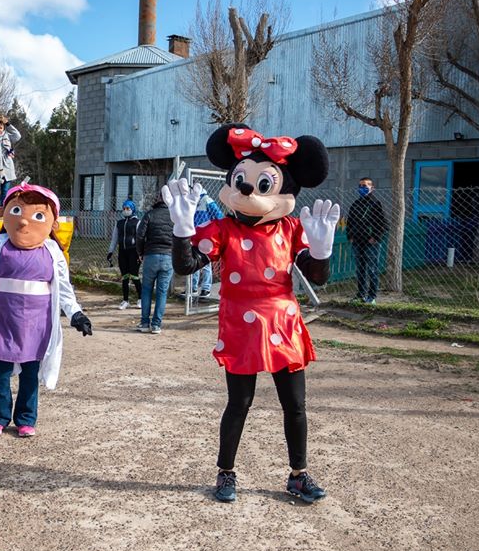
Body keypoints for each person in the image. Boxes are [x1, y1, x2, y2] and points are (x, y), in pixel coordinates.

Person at [167, 123, 339, 505]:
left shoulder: (292, 228)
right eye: (241, 180)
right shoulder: (224, 229)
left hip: (283, 324)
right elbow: (187, 266)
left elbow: (315, 275)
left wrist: (323, 253)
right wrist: (182, 230)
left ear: (285, 189)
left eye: (263, 184)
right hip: (241, 323)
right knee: (239, 403)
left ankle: (298, 474)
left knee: (295, 405)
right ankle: (225, 473)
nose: (246, 190)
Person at [0, 182, 93, 438]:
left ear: (51, 221)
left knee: (30, 373)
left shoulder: (52, 251)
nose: (25, 222)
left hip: (36, 323)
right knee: (0, 372)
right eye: (17, 211)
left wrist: (76, 314)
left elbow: (63, 287)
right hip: (2, 320)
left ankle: (26, 418)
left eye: (37, 215)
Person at [135, 194, 174, 334]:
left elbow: (139, 235)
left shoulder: (149, 215)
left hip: (151, 255)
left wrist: (140, 253)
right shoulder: (174, 215)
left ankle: (145, 323)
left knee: (146, 290)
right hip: (169, 256)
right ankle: (156, 325)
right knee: (162, 292)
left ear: (156, 201)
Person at [346, 177, 386, 304]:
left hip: (371, 242)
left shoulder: (375, 204)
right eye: (360, 186)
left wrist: (375, 237)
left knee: (372, 269)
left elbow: (382, 223)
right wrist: (350, 236)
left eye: (365, 186)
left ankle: (372, 296)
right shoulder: (355, 204)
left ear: (372, 188)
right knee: (360, 269)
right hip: (357, 241)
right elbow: (350, 222)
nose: (362, 188)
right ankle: (361, 294)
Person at [107, 198, 142, 309]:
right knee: (125, 277)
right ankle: (125, 300)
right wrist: (110, 251)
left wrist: (141, 253)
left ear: (132, 209)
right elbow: (114, 238)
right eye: (124, 208)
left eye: (128, 208)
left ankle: (140, 299)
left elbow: (140, 239)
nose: (125, 210)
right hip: (122, 252)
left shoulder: (137, 222)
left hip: (134, 252)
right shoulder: (119, 223)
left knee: (135, 276)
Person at [190, 190, 224, 298]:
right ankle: (193, 287)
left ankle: (205, 288)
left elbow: (219, 216)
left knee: (205, 263)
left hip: (205, 236)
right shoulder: (194, 201)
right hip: (195, 234)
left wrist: (212, 229)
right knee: (194, 261)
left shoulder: (207, 200)